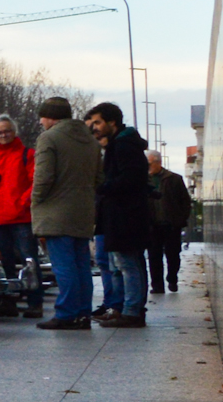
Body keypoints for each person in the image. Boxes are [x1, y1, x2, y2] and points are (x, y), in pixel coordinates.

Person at [31, 97, 102, 330]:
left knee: (63, 265)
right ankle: (82, 313)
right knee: (81, 265)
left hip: (56, 212)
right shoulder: (91, 141)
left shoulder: (49, 138)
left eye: (42, 117)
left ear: (50, 117)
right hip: (83, 211)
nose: (41, 122)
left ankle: (67, 313)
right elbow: (98, 178)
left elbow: (43, 177)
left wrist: (36, 200)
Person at [88, 102, 150, 328]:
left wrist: (102, 187)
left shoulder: (123, 145)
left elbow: (131, 178)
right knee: (124, 263)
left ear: (111, 122)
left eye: (97, 122)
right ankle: (128, 309)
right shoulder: (122, 144)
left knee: (127, 263)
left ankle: (132, 311)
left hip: (126, 214)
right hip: (122, 213)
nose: (94, 127)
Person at [0, 113, 45, 318]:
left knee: (29, 261)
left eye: (7, 131)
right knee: (4, 263)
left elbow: (36, 182)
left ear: (14, 131)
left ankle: (35, 302)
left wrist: (22, 203)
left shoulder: (28, 154)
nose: (4, 135)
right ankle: (8, 301)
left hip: (21, 217)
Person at [84, 112, 124, 316]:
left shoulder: (113, 152)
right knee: (103, 260)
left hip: (111, 214)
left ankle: (117, 303)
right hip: (100, 213)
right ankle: (111, 301)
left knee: (113, 262)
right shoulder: (96, 154)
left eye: (96, 125)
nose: (94, 131)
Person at [146, 149, 192, 293]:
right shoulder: (143, 180)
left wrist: (180, 219)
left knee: (173, 255)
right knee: (154, 257)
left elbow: (185, 201)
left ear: (158, 162)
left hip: (171, 224)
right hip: (152, 226)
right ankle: (157, 286)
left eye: (149, 164)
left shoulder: (174, 179)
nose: (147, 168)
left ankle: (172, 279)